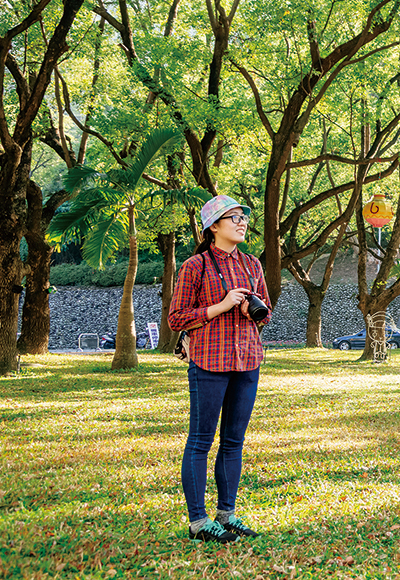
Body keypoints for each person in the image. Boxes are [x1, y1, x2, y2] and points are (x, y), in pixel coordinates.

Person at [168, 195, 271, 543]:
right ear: (213, 227)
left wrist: (249, 311)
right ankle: (198, 522)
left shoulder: (253, 265)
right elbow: (176, 318)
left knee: (233, 441)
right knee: (200, 440)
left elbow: (266, 312)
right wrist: (221, 306)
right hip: (209, 362)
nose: (242, 223)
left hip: (247, 361)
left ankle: (227, 515)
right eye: (233, 218)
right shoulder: (195, 266)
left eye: (243, 217)